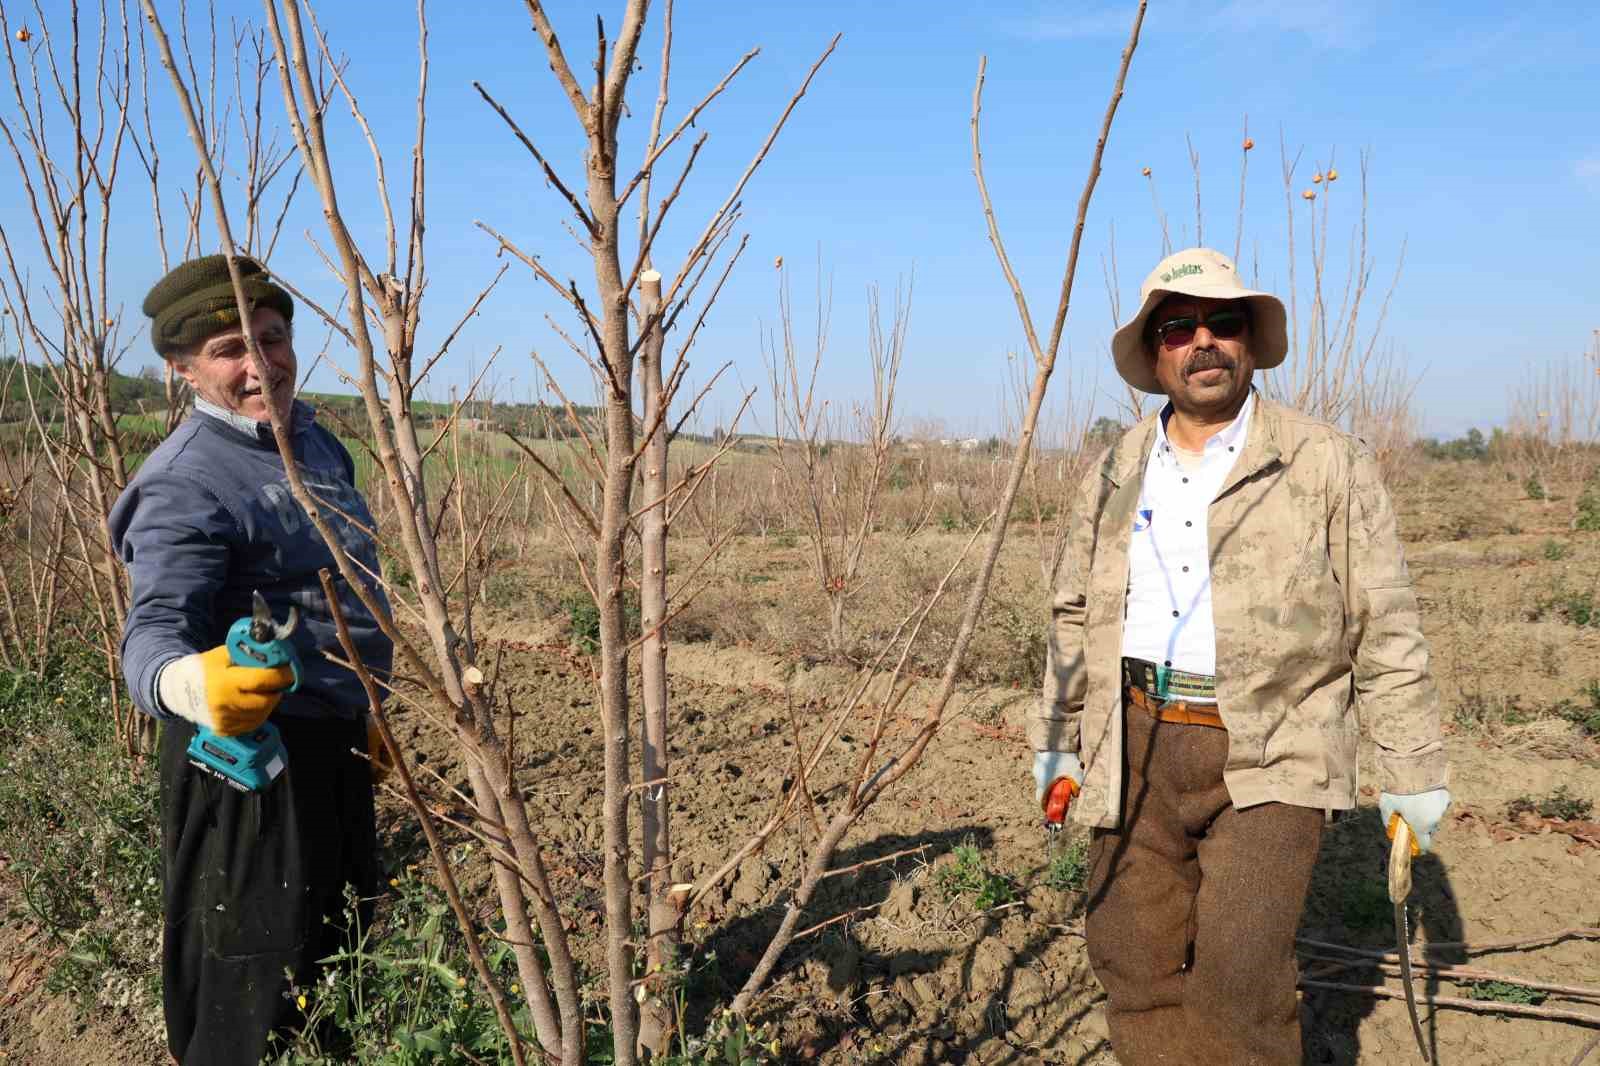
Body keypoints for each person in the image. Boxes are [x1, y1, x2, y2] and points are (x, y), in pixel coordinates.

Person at [1030, 247, 1450, 1065]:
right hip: (1134, 740)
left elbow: (1386, 623)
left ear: (1251, 341)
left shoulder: (1325, 461)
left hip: (1273, 746)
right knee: (1132, 955)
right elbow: (1071, 612)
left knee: (1241, 975)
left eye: (1223, 323)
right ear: (1155, 354)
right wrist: (1056, 737)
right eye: (1179, 327)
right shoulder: (1115, 469)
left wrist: (1411, 767)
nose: (1203, 342)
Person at [110, 254, 394, 1065]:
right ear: (183, 370)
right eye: (231, 348)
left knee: (339, 961)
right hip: (247, 766)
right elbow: (152, 633)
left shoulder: (314, 444)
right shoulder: (185, 481)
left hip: (333, 742)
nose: (261, 363)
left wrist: (364, 707)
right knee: (252, 988)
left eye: (272, 338)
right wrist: (191, 683)